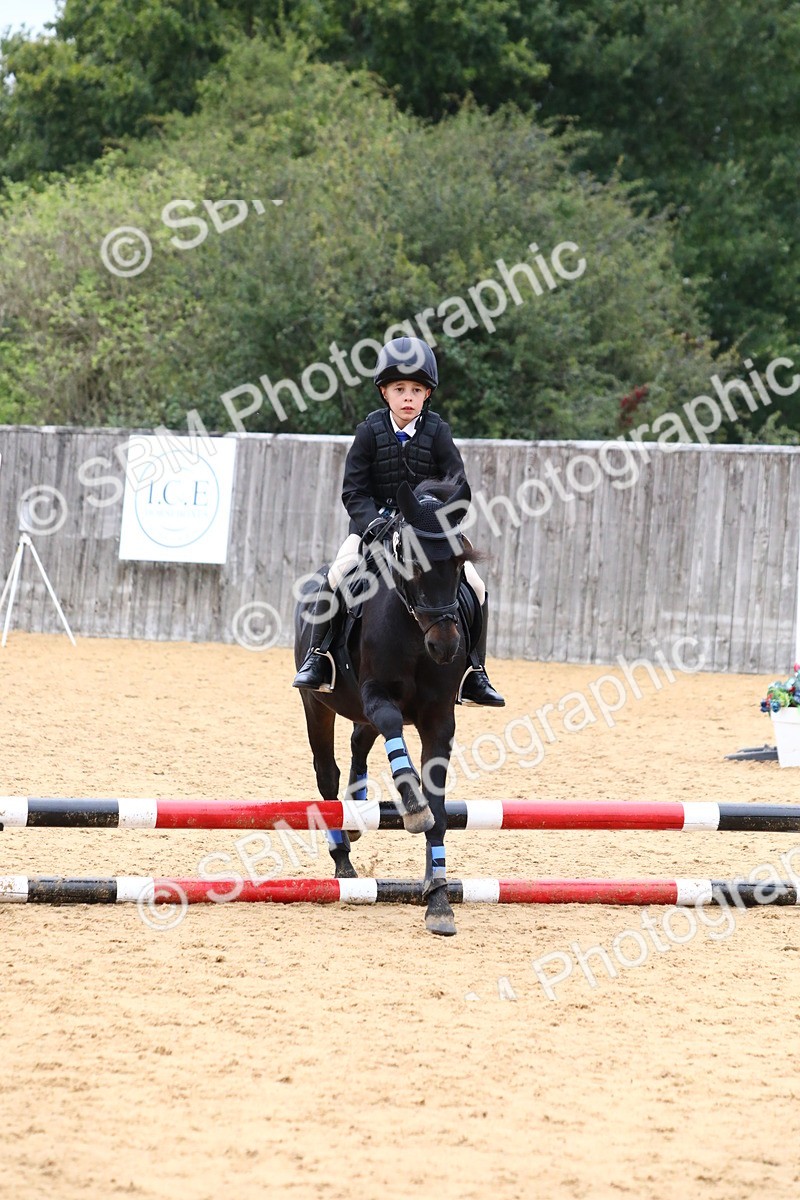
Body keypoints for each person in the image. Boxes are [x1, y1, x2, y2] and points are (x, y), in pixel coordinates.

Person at [293, 336, 504, 706]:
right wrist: (373, 521)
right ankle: (319, 657)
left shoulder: (438, 431)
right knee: (338, 573)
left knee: (477, 583)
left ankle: (475, 672)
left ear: (427, 395)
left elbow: (456, 480)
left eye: (416, 390)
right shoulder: (368, 432)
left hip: (427, 530)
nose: (408, 397)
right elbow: (353, 491)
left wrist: (435, 510)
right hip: (373, 530)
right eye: (399, 389)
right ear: (384, 393)